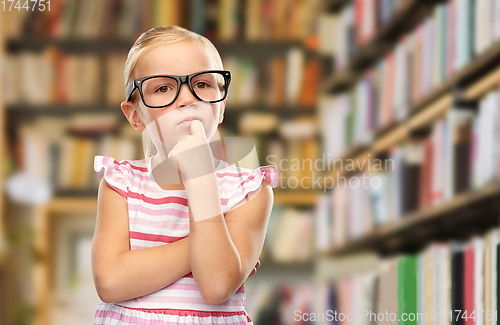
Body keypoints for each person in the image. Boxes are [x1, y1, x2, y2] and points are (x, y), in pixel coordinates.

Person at [92, 25, 279, 325]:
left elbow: (217, 284)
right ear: (135, 115)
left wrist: (201, 178)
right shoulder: (120, 184)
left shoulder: (249, 191)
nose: (186, 98)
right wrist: (208, 244)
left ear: (221, 106)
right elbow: (110, 283)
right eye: (163, 88)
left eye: (202, 84)